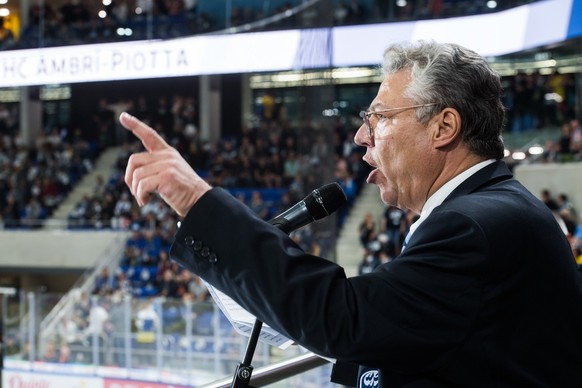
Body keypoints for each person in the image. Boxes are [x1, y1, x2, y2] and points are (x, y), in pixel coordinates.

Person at [120, 40, 582, 387]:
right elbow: (395, 332)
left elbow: (347, 321)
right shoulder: (486, 211)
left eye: (379, 117)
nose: (362, 137)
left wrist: (196, 201)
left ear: (443, 127)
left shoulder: (475, 225)